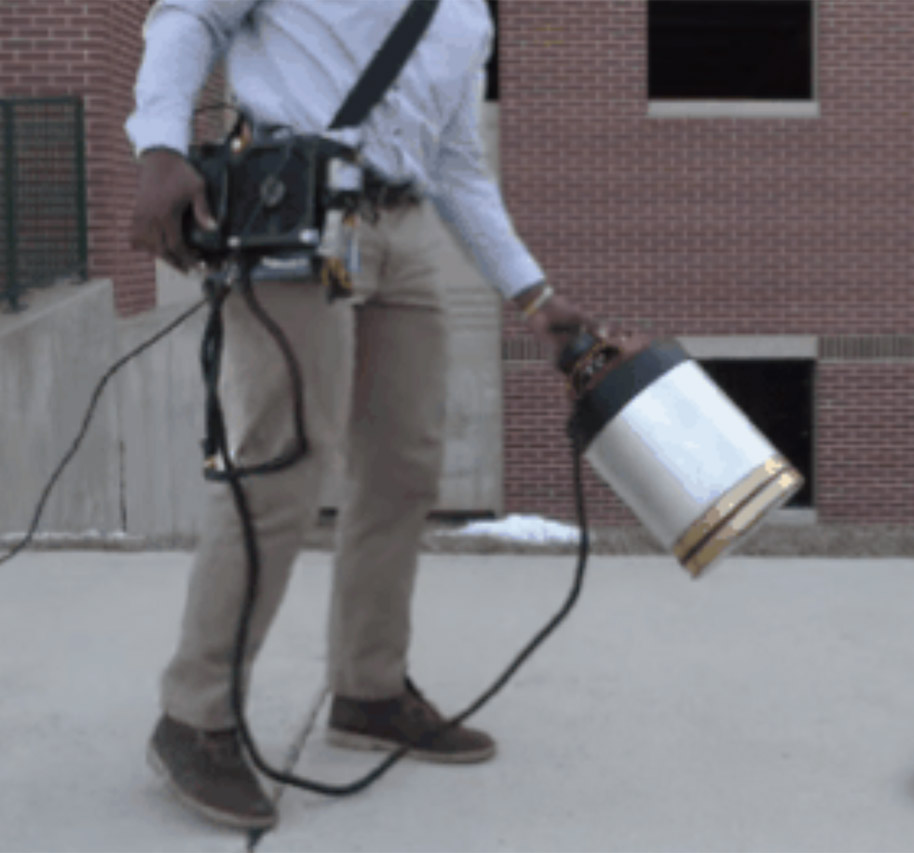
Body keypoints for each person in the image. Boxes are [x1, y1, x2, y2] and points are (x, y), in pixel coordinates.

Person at [126, 0, 591, 831]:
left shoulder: (465, 17)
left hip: (402, 231)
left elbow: (457, 164)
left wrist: (534, 295)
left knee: (405, 465)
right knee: (282, 463)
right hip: (291, 212)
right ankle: (194, 716)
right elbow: (189, 18)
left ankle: (368, 690)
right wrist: (159, 145)